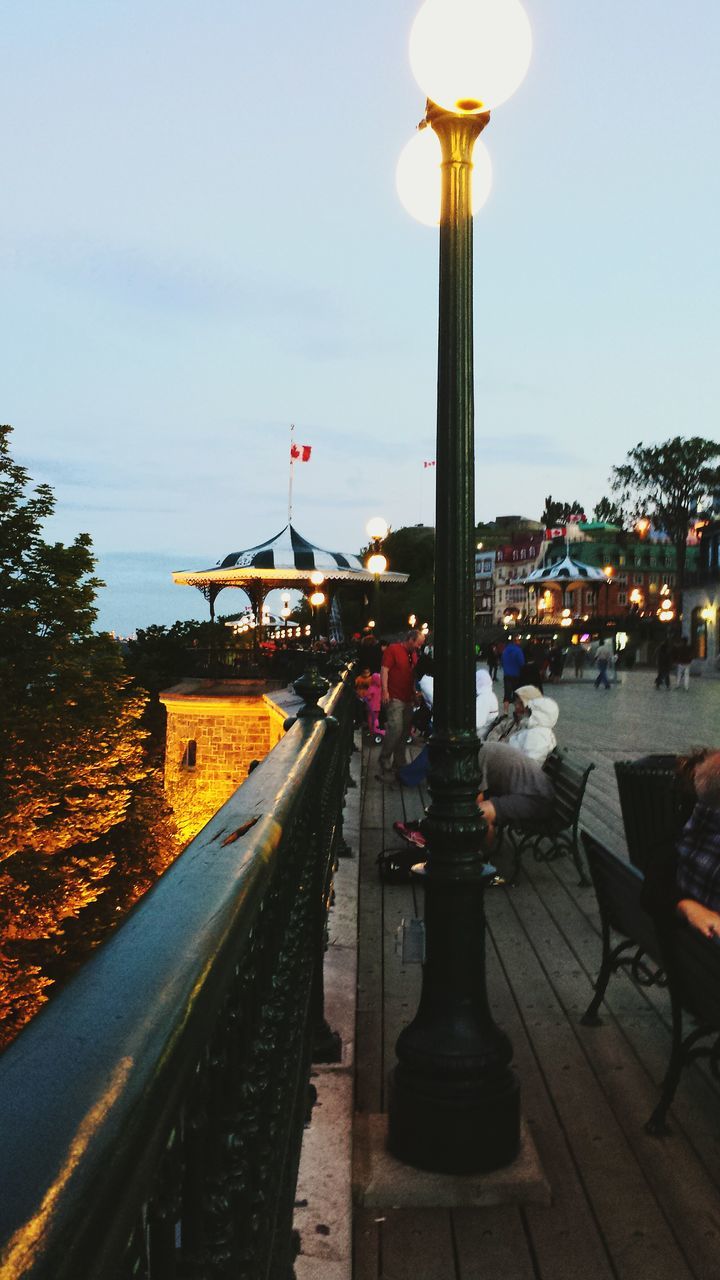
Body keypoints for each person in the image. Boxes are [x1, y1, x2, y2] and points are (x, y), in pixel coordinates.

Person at [476, 741, 556, 848]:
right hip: (533, 792)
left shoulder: (476, 758)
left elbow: (476, 801)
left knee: (480, 814)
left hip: (536, 800)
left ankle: (482, 858)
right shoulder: (479, 750)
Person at [377, 628, 423, 777]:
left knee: (404, 730)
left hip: (407, 697)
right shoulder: (393, 650)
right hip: (394, 696)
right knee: (396, 727)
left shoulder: (414, 655)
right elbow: (384, 670)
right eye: (418, 644)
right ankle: (384, 758)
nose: (419, 647)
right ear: (411, 640)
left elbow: (411, 677)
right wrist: (385, 691)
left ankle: (399, 760)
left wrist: (414, 694)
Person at [507, 687, 558, 765]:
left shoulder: (538, 735)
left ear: (538, 714)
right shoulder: (534, 730)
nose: (526, 711)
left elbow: (529, 766)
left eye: (530, 710)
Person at [500, 634, 525, 712]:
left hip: (507, 675)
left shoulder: (505, 650)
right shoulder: (518, 650)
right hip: (516, 675)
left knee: (507, 694)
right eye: (518, 640)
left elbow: (502, 662)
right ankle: (516, 711)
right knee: (516, 694)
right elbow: (522, 663)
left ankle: (505, 712)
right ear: (516, 641)